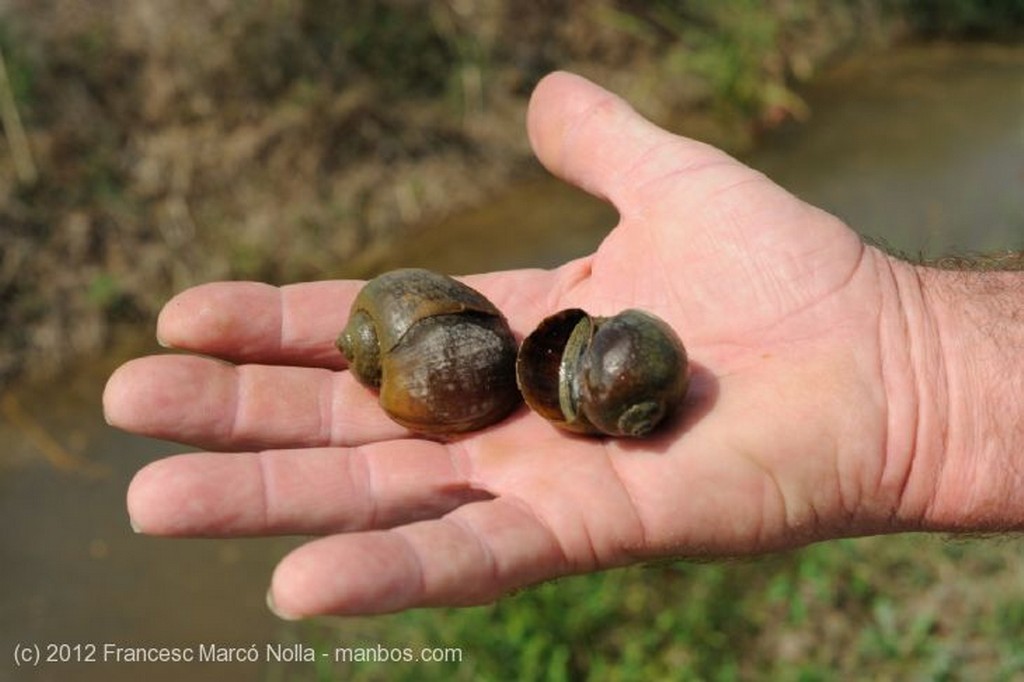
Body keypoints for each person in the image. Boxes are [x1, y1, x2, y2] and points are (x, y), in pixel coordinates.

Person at [102, 71, 1024, 620]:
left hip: (573, 381)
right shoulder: (432, 351)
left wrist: (923, 366)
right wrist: (922, 367)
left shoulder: (555, 366)